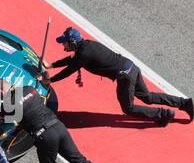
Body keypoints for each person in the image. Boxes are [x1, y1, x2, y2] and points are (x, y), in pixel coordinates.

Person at [0, 79, 122, 163]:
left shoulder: (7, 105)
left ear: (2, 91)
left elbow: (1, 118)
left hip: (45, 136)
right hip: (58, 126)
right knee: (79, 160)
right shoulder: (29, 89)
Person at [42, 27, 193, 126]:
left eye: (65, 43)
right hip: (131, 67)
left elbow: (69, 69)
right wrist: (52, 66)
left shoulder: (84, 53)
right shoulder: (86, 46)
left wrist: (50, 80)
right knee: (147, 96)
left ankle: (164, 114)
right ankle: (185, 103)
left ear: (73, 42)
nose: (63, 46)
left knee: (128, 108)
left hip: (125, 77)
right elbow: (72, 60)